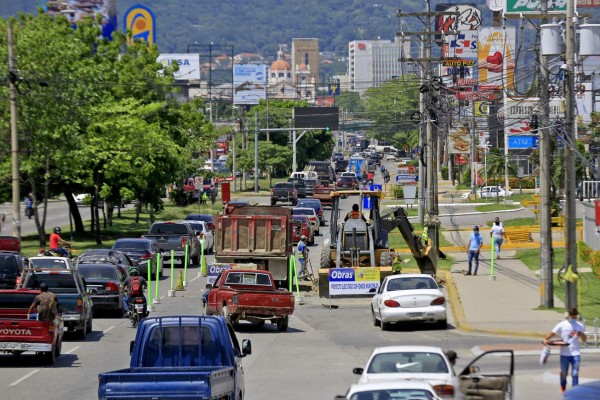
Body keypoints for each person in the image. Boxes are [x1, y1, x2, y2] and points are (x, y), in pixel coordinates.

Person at [544, 308, 587, 394]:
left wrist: (580, 334)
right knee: (564, 373)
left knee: (575, 373)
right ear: (568, 316)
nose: (573, 318)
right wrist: (546, 339)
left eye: (575, 317)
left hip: (575, 353)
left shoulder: (579, 325)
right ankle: (563, 385)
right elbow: (553, 332)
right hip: (564, 353)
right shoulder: (562, 324)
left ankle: (575, 390)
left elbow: (584, 339)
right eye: (571, 316)